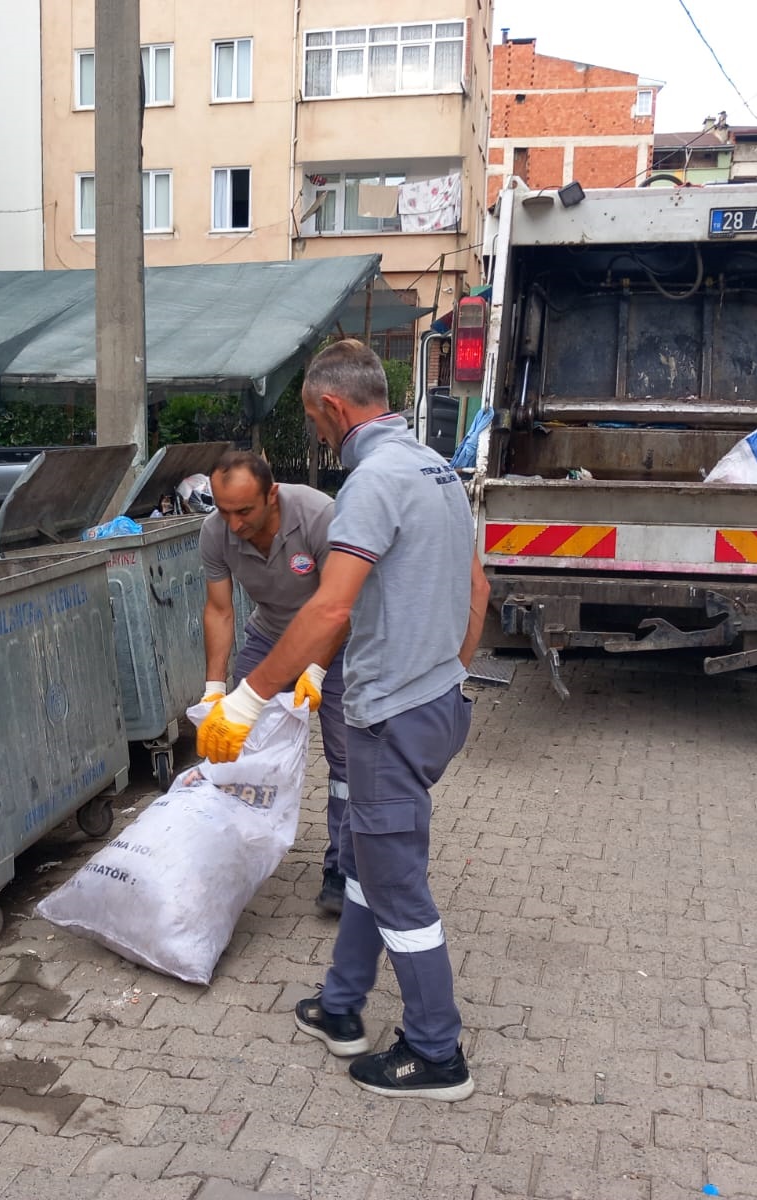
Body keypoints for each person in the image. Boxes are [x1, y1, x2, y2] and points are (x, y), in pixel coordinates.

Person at [197, 339, 490, 1102]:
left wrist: (248, 695)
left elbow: (330, 607)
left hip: (392, 715)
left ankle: (435, 1053)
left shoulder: (370, 483)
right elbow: (478, 593)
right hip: (435, 703)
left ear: (332, 407)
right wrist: (452, 677)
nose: (318, 435)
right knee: (363, 856)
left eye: (313, 420)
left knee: (397, 886)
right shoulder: (439, 471)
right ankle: (340, 1008)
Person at [199, 450, 350, 914]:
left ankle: (343, 871)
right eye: (224, 510)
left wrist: (317, 669)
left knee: (349, 760)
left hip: (339, 643)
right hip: (269, 640)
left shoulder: (318, 515)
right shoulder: (216, 532)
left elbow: (338, 606)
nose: (234, 523)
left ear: (272, 495)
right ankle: (232, 861)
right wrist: (215, 689)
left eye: (244, 510)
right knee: (236, 747)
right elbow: (220, 611)